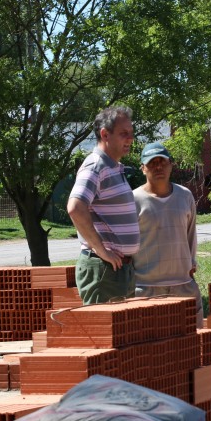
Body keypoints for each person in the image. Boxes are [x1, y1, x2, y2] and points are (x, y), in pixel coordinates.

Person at [67, 106, 140, 305]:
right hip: (104, 271)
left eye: (131, 133)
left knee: (125, 332)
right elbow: (75, 207)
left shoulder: (113, 167)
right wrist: (101, 250)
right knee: (106, 334)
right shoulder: (96, 166)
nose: (130, 139)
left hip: (118, 270)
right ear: (105, 134)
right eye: (124, 134)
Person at [133, 142, 204, 328]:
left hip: (183, 286)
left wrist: (191, 264)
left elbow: (190, 235)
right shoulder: (133, 200)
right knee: (151, 351)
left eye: (163, 162)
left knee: (193, 346)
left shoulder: (185, 196)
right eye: (152, 163)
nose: (158, 167)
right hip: (146, 290)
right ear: (143, 168)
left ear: (171, 165)